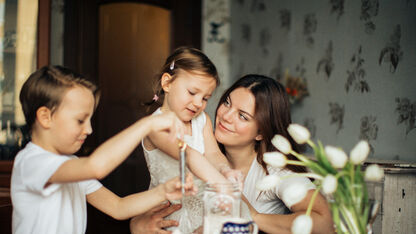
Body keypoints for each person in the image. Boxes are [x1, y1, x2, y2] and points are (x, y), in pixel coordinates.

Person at [132, 74, 334, 234]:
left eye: (242, 116)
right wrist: (137, 224)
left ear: (261, 132)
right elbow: (160, 200)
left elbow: (324, 224)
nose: (225, 116)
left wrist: (251, 216)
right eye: (227, 103)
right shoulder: (201, 150)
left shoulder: (274, 170)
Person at [11, 65, 196, 234]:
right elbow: (95, 167)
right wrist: (147, 124)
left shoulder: (71, 165)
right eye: (80, 120)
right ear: (45, 117)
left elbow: (118, 207)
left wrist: (163, 191)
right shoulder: (32, 162)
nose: (89, 130)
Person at [142, 47, 236, 233]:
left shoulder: (202, 121)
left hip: (200, 208)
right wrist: (221, 183)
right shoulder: (154, 126)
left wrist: (225, 170)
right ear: (167, 83)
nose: (198, 103)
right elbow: (188, 154)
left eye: (205, 98)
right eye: (192, 93)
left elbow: (213, 154)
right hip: (168, 212)